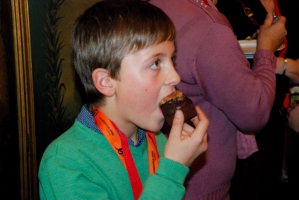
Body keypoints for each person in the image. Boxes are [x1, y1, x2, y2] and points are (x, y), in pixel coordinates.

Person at [38, 0, 209, 199]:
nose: (175, 77)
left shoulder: (159, 141)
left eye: (171, 60)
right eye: (155, 63)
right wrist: (171, 172)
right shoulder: (67, 163)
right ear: (107, 82)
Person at [149, 0, 286, 199]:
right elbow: (254, 112)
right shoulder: (206, 26)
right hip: (200, 186)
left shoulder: (149, 7)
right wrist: (266, 51)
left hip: (156, 176)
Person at [216, 0, 299, 199]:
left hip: (282, 122)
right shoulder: (220, 9)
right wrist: (284, 65)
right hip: (241, 130)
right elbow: (222, 66)